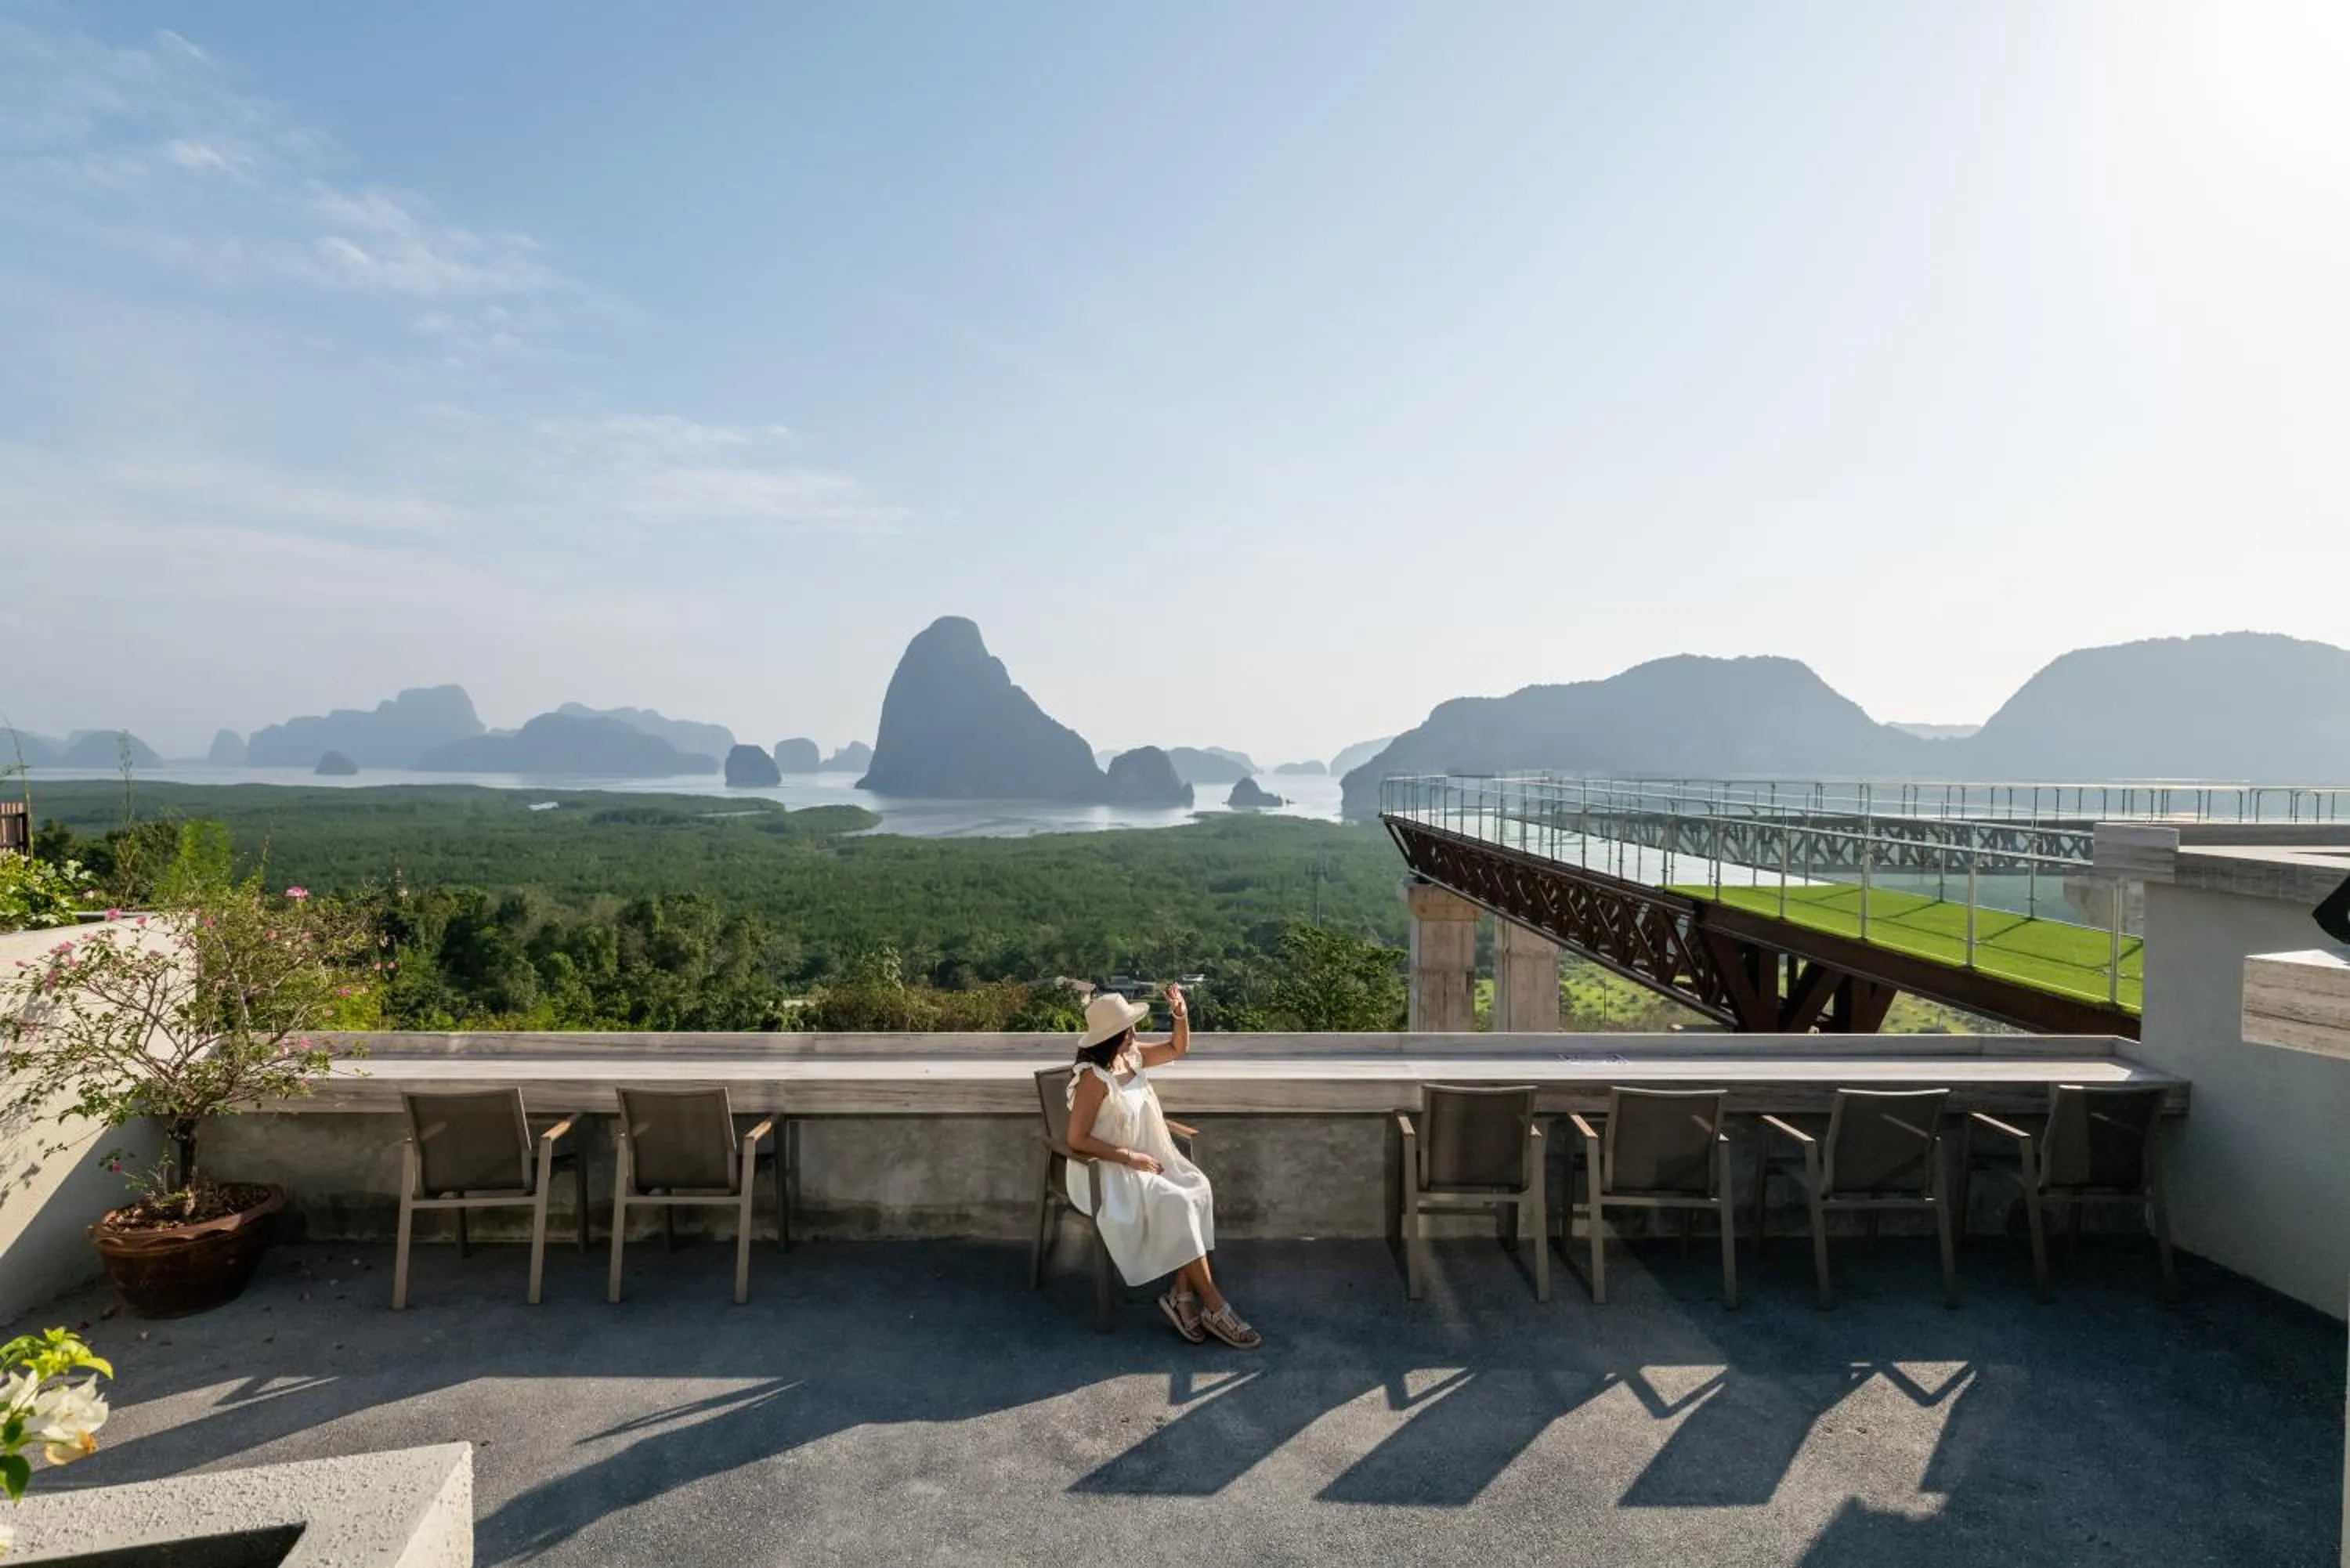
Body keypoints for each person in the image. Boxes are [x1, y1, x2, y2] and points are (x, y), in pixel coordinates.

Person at [1063, 983, 1260, 1348]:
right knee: (1178, 1202)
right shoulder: (1093, 1079)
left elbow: (1176, 1048)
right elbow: (1076, 1140)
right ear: (1110, 1037)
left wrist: (1180, 1013)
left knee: (1196, 1187)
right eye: (1128, 1030)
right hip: (1105, 1169)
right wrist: (1129, 1157)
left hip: (1147, 1157)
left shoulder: (1130, 1058)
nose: (1135, 1034)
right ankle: (1214, 1305)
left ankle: (1182, 1297)